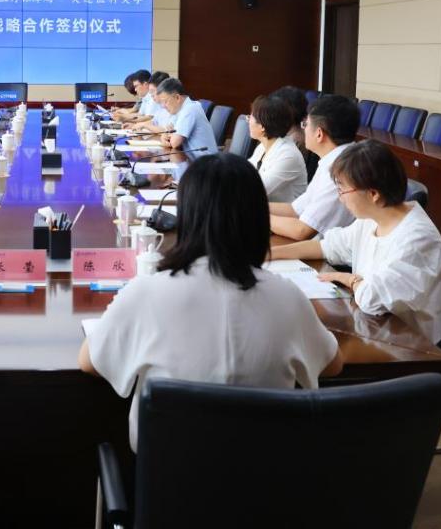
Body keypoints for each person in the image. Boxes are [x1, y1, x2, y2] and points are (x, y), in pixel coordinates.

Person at [79, 152, 343, 450]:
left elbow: (89, 361)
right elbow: (332, 365)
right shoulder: (288, 297)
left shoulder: (146, 293)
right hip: (265, 476)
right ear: (258, 219)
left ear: (188, 216)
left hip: (166, 477)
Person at [272, 140, 441, 375]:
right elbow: (327, 247)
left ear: (373, 194)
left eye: (343, 190)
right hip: (382, 339)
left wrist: (349, 279)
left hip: (423, 359)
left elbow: (372, 299)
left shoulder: (418, 239)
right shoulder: (371, 220)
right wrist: (271, 254)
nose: (340, 198)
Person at [269, 94, 359, 240]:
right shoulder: (333, 159)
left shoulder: (343, 168)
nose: (303, 129)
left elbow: (302, 231)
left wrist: (257, 216)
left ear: (319, 134)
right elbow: (295, 209)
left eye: (305, 125)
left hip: (329, 253)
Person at [247, 94, 308, 202]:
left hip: (282, 212)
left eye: (250, 117)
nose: (248, 121)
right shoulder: (263, 147)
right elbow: (245, 173)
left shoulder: (288, 155)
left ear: (262, 126)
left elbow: (254, 190)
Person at [154, 77, 218, 155]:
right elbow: (167, 132)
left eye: (165, 101)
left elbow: (174, 143)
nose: (163, 106)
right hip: (192, 158)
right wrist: (165, 136)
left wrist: (169, 136)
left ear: (177, 98)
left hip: (206, 160)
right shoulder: (179, 109)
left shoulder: (190, 109)